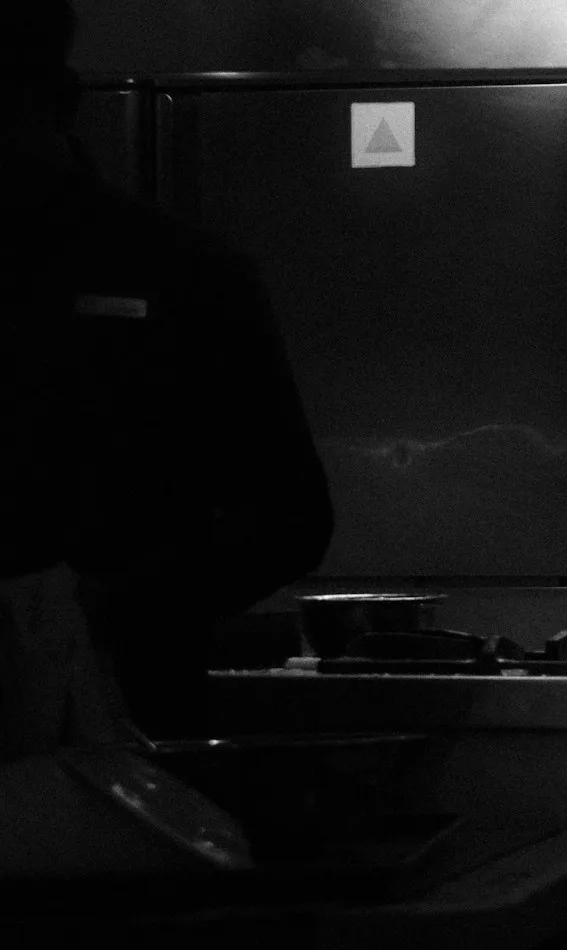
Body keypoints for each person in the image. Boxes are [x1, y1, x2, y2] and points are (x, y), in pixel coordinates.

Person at [1, 0, 333, 753]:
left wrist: (111, 604)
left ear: (54, 100)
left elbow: (290, 517)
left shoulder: (178, 271)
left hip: (127, 725)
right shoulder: (182, 266)